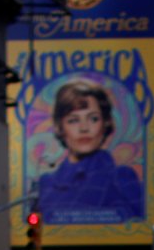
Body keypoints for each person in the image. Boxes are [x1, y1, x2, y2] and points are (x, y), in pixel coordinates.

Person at [35, 81, 144, 225]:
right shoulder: (45, 185)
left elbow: (142, 230)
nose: (84, 128)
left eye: (93, 118)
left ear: (106, 122)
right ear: (59, 127)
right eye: (73, 120)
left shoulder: (121, 178)